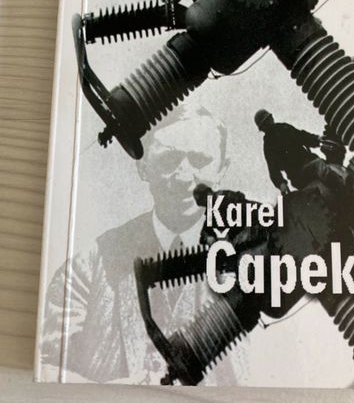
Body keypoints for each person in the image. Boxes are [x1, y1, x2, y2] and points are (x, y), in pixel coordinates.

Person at [40, 106, 247, 385]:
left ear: (222, 169)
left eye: (200, 160)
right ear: (143, 166)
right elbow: (46, 366)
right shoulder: (88, 267)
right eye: (169, 160)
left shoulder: (255, 268)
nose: (184, 177)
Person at [254, 109, 342, 196]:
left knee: (328, 163)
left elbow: (301, 136)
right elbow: (273, 168)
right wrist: (281, 183)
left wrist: (317, 139)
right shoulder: (269, 145)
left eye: (269, 119)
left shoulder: (284, 128)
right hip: (298, 174)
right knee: (318, 165)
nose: (269, 122)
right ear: (262, 128)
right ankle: (341, 188)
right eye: (265, 123)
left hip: (309, 162)